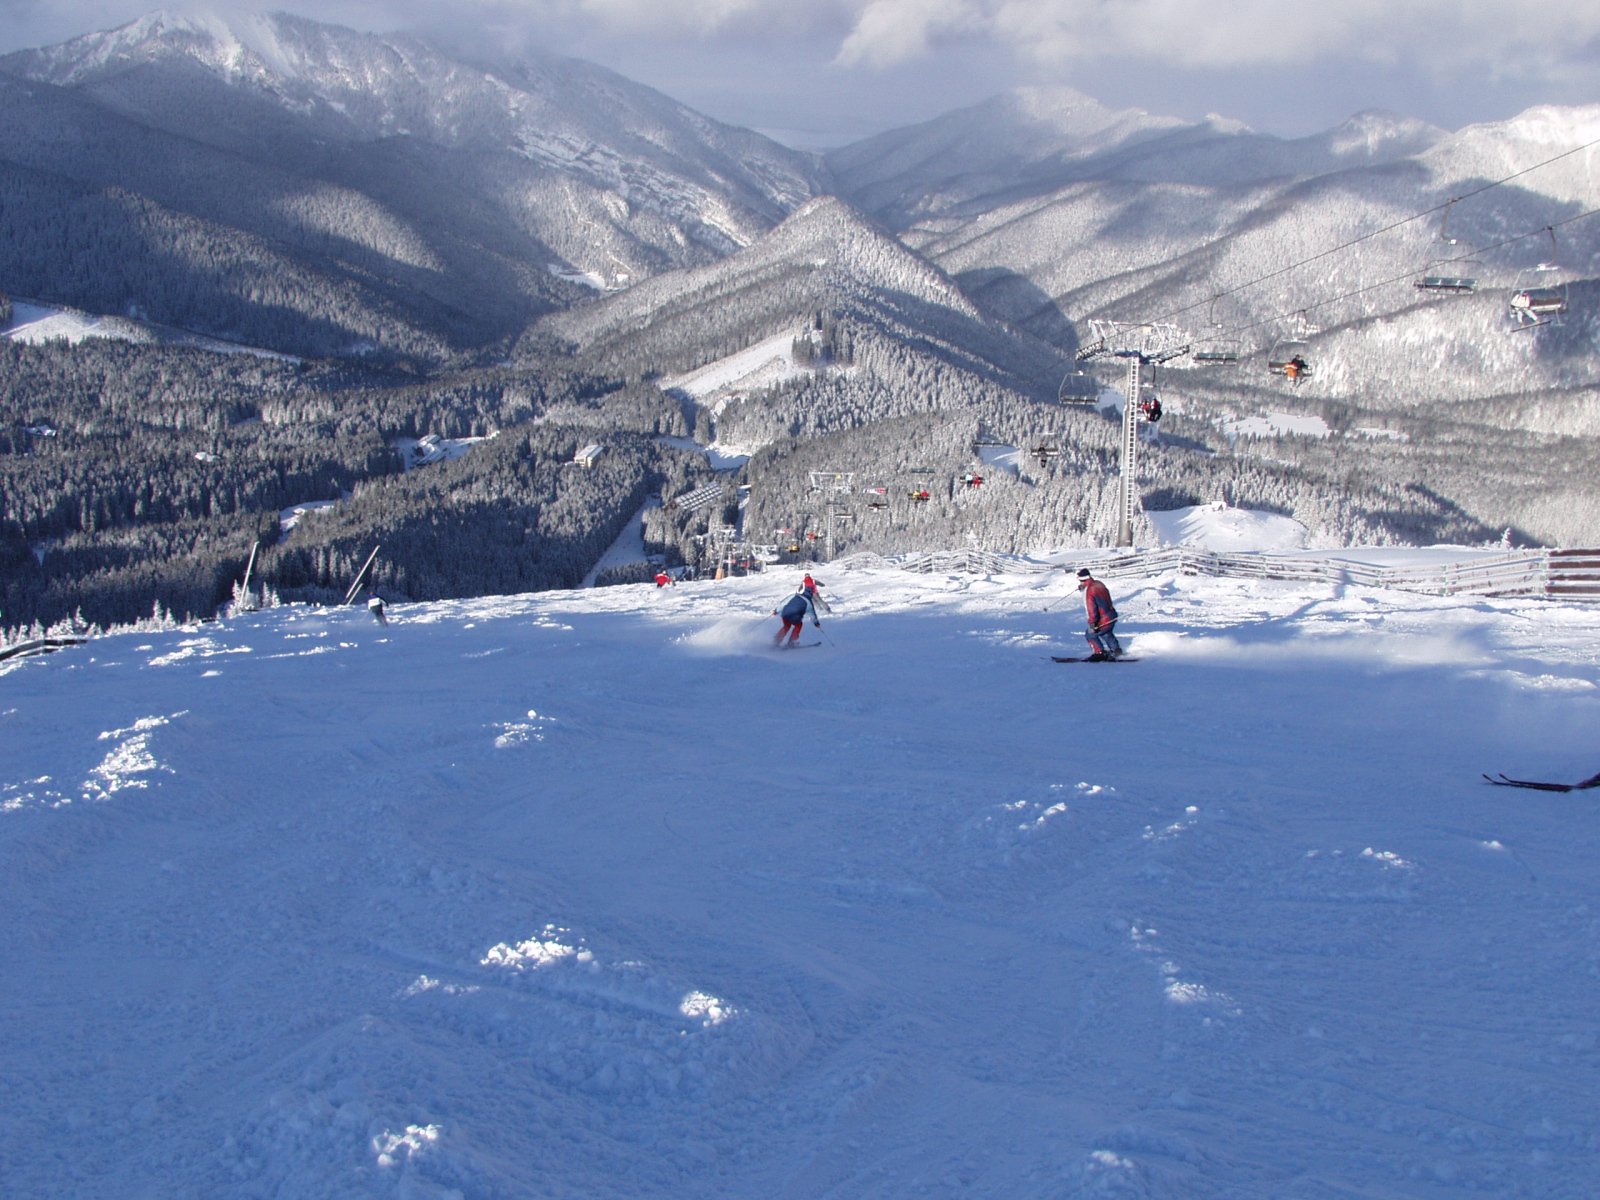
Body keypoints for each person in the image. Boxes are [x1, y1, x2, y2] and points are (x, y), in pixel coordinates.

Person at [1074, 567, 1121, 660]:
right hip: (1111, 614)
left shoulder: (1089, 590)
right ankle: (1116, 650)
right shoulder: (1098, 583)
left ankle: (1099, 653)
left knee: (1090, 635)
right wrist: (1084, 587)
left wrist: (1092, 623)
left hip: (1103, 618)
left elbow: (1091, 609)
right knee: (1106, 633)